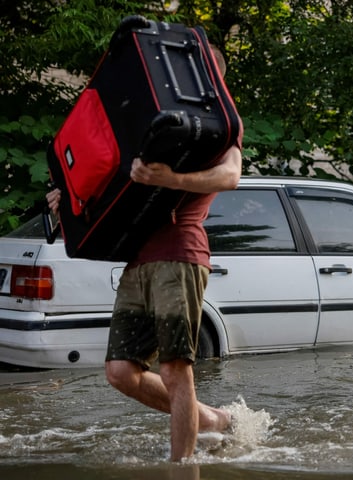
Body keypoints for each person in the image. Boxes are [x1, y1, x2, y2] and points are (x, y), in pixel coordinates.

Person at [46, 46, 242, 461]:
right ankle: (213, 420)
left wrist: (174, 179)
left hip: (179, 252)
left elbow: (230, 176)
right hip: (138, 260)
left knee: (175, 369)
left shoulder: (221, 124)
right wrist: (70, 202)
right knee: (120, 372)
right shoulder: (151, 120)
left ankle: (181, 468)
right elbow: (114, 184)